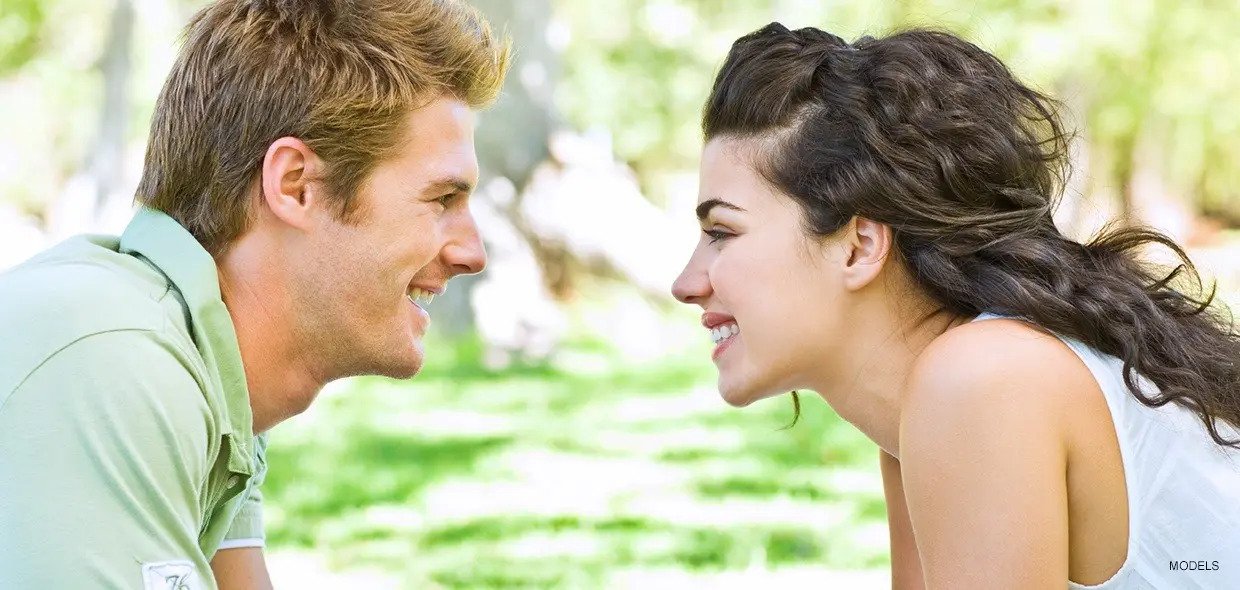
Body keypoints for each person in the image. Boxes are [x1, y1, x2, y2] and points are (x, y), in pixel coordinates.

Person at [672, 22, 1240, 589]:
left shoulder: (980, 379)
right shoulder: (921, 413)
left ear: (859, 246)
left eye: (722, 231)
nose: (686, 283)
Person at [0, 0, 508, 587]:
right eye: (442, 199)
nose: (473, 253)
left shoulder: (211, 367)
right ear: (297, 186)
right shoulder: (112, 362)